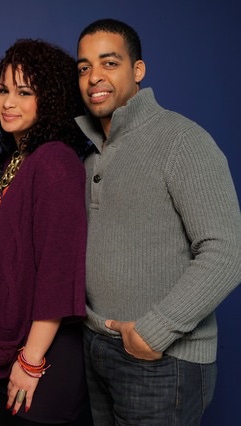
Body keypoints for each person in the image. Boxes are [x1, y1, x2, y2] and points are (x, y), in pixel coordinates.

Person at [75, 18, 241, 425]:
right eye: (83, 67)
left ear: (138, 70)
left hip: (162, 359)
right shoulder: (89, 155)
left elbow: (227, 250)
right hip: (97, 345)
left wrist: (156, 330)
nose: (94, 76)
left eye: (109, 63)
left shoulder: (182, 140)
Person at [0, 39, 92, 425]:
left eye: (24, 92)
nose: (8, 103)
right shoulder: (22, 157)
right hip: (24, 339)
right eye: (3, 90)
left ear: (52, 98)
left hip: (48, 349)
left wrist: (31, 361)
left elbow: (58, 273)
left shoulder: (55, 160)